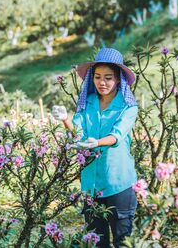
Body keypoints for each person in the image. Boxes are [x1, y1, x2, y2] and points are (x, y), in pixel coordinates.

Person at [52, 47, 139, 247]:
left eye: (108, 78)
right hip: (91, 183)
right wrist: (65, 119)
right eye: (98, 77)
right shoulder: (88, 102)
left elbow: (117, 135)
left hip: (118, 181)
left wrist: (97, 143)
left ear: (118, 79)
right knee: (96, 240)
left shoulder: (128, 107)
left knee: (122, 239)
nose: (102, 82)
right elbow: (78, 132)